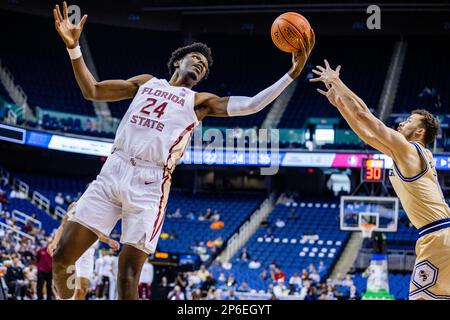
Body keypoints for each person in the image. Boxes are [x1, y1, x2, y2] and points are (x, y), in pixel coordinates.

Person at [51, 1, 314, 300]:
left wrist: (292, 73)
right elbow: (93, 91)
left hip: (149, 184)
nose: (201, 63)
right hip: (113, 170)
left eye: (204, 65)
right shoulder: (146, 82)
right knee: (61, 257)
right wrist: (74, 48)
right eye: (195, 57)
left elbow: (252, 104)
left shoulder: (199, 101)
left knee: (126, 280)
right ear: (177, 62)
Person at [311, 59, 449, 300]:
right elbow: (366, 134)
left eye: (409, 121)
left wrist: (337, 82)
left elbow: (367, 116)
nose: (402, 122)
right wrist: (340, 105)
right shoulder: (406, 154)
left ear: (419, 132)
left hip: (437, 236)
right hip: (440, 234)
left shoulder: (409, 150)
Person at [47, 202, 119, 300]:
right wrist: (54, 242)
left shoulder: (101, 209)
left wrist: (108, 241)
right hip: (73, 249)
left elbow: (97, 233)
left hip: (88, 253)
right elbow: (63, 226)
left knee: (83, 288)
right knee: (70, 288)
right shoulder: (75, 205)